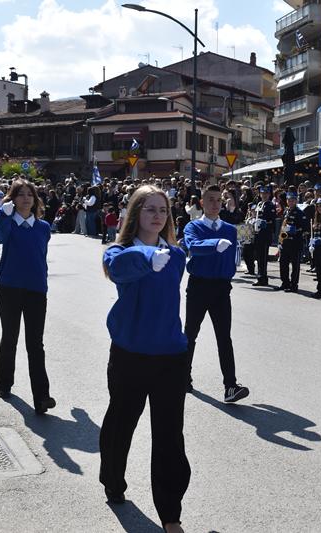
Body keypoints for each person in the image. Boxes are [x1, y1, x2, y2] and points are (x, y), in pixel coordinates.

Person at [99, 185, 190, 533]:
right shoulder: (120, 252)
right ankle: (113, 479)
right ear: (136, 214)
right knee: (122, 423)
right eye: (150, 209)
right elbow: (117, 268)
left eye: (163, 210)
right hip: (131, 355)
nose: (157, 216)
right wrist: (147, 258)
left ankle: (171, 514)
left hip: (171, 356)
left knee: (169, 436)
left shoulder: (176, 256)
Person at [0, 179, 55, 415]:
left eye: (30, 194)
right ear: (13, 199)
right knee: (10, 338)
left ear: (35, 199)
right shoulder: (7, 223)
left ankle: (42, 397)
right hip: (9, 289)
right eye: (21, 194)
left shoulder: (43, 227)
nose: (26, 198)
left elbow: (40, 257)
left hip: (36, 290)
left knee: (35, 344)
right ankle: (4, 383)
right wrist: (2, 213)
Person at [183, 185, 249, 402]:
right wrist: (214, 244)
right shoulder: (193, 226)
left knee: (224, 337)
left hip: (221, 288)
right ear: (202, 202)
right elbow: (193, 245)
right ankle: (183, 377)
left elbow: (235, 254)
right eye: (210, 199)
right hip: (199, 286)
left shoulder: (229, 229)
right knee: (190, 334)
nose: (215, 204)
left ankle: (230, 386)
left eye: (218, 200)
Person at [277, 192, 307, 292]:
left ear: (296, 201)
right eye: (289, 200)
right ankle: (285, 283)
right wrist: (280, 241)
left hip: (295, 242)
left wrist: (295, 230)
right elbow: (283, 226)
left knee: (295, 265)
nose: (291, 202)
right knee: (283, 263)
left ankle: (294, 285)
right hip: (285, 242)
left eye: (293, 200)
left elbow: (305, 227)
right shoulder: (286, 211)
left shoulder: (300, 213)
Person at [252, 186, 276, 287]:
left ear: (269, 194)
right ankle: (260, 276)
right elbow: (256, 216)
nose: (264, 195)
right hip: (258, 233)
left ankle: (263, 278)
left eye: (266, 193)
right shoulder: (259, 204)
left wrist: (265, 223)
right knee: (259, 257)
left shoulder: (270, 205)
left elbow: (272, 221)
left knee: (263, 257)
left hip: (265, 234)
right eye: (262, 193)